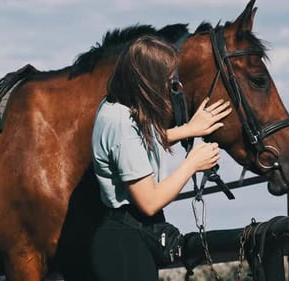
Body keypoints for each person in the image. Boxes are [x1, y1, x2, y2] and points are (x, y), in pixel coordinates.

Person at [90, 35, 232, 281]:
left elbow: (135, 145)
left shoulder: (113, 106)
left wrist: (188, 129)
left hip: (122, 238)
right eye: (168, 81)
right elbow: (150, 201)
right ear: (148, 82)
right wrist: (192, 164)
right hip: (126, 245)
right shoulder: (122, 125)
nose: (172, 87)